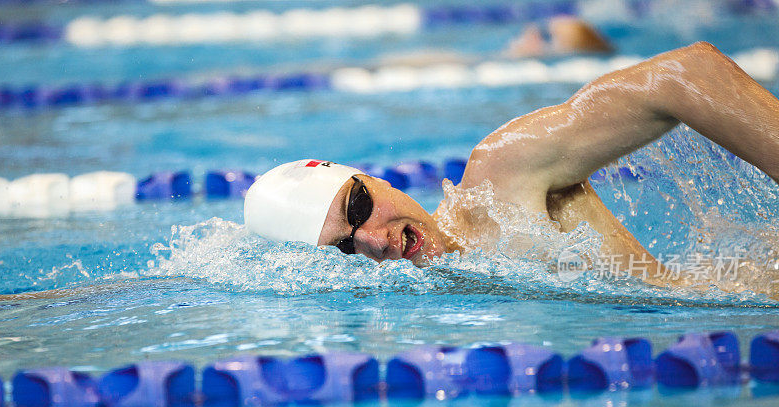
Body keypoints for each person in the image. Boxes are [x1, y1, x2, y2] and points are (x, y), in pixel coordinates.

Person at [244, 42, 779, 294]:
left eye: (357, 206)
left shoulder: (500, 181)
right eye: (343, 246)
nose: (373, 241)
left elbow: (684, 73)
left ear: (373, 178)